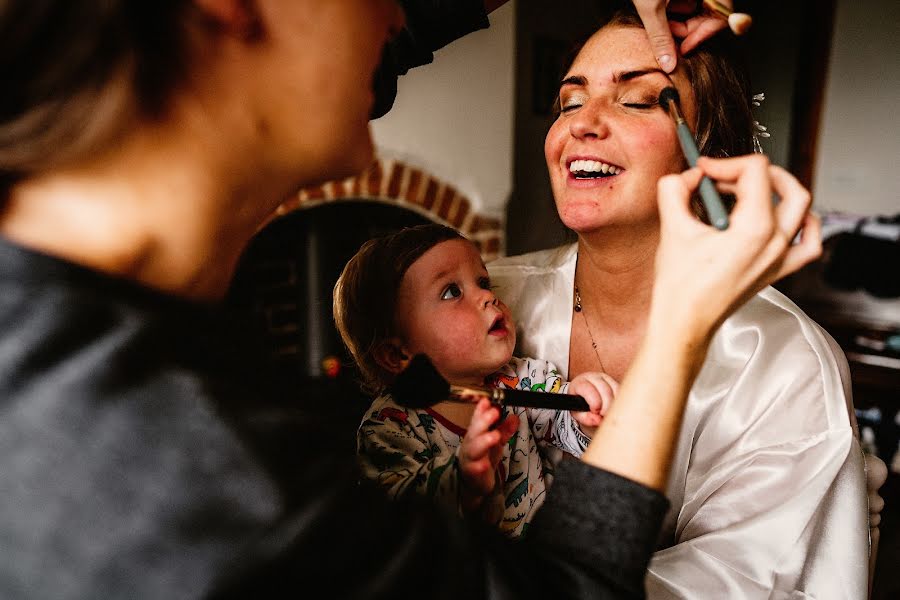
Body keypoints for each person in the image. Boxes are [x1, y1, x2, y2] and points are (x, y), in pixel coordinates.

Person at [0, 0, 820, 598]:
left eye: (639, 96)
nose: (396, 12)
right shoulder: (195, 477)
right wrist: (681, 326)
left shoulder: (56, 327)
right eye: (567, 98)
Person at [488, 9, 869, 598]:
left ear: (707, 152)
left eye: (639, 100)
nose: (583, 123)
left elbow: (748, 582)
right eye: (568, 102)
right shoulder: (489, 298)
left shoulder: (785, 361)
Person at [334, 224, 616, 537]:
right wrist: (461, 480)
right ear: (397, 354)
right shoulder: (391, 424)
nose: (486, 296)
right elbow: (396, 512)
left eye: (484, 282)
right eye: (451, 291)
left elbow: (567, 429)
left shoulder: (518, 380)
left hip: (541, 566)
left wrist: (584, 412)